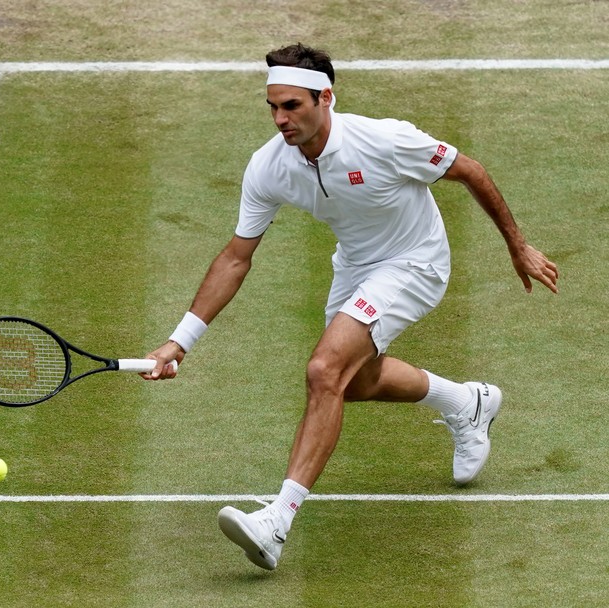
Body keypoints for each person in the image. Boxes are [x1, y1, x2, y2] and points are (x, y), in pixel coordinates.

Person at [142, 43, 559, 571]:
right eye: (272, 107)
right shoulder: (268, 167)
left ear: (326, 99)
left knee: (324, 370)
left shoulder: (383, 139)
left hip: (416, 262)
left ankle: (277, 521)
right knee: (354, 383)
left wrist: (516, 245)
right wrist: (181, 341)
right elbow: (235, 259)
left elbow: (470, 171)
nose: (279, 119)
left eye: (292, 106)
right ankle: (467, 403)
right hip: (357, 267)